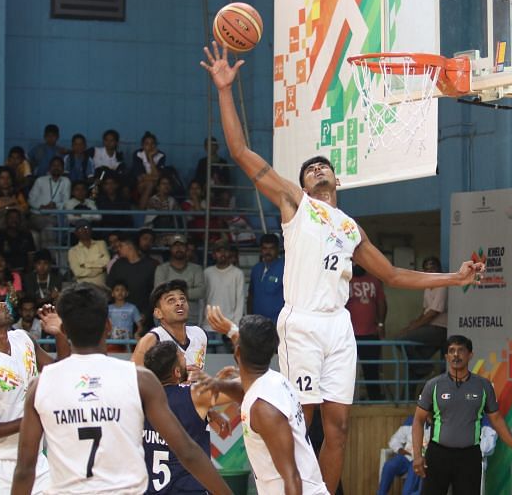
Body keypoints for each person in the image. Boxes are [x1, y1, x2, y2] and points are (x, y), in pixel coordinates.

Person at [201, 41, 483, 492]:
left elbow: (393, 275)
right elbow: (240, 152)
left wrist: (455, 276)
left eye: (323, 166)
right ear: (303, 185)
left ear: (337, 180)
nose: (316, 169)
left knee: (339, 429)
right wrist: (224, 90)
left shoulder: (350, 228)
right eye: (309, 168)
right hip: (304, 325)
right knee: (300, 422)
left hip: (339, 328)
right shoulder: (296, 206)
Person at [10, 283, 232, 495]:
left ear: (65, 328)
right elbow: (187, 451)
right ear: (108, 325)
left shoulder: (41, 385)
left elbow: (24, 470)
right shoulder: (139, 380)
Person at [193, 315, 329, 495]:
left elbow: (292, 477)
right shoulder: (273, 380)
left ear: (237, 354)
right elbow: (242, 389)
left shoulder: (264, 409)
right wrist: (218, 383)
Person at [0, 286, 70, 493]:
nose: (3, 304)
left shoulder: (24, 339)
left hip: (33, 459)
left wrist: (60, 333)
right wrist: (30, 421)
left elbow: (60, 374)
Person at [411, 335, 512, 494]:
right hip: (438, 455)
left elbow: (497, 420)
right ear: (446, 356)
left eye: (460, 350)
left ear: (470, 355)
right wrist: (417, 455)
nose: (456, 355)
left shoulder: (483, 386)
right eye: (451, 351)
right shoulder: (433, 385)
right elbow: (418, 420)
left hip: (469, 457)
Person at [142, 341, 233, 493]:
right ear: (177, 372)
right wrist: (213, 382)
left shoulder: (141, 399)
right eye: (183, 358)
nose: (188, 362)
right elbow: (244, 387)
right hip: (188, 489)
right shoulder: (194, 394)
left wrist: (209, 412)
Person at [131, 280, 212, 372]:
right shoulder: (151, 339)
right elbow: (134, 377)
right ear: (158, 313)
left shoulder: (200, 334)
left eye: (182, 299)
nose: (179, 303)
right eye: (171, 300)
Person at [398, 257, 448, 384]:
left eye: (432, 269)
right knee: (414, 365)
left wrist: (413, 328)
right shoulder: (427, 286)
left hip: (440, 329)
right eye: (426, 270)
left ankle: (425, 368)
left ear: (439, 269)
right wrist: (413, 324)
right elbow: (425, 311)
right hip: (429, 329)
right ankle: (406, 397)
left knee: (401, 340)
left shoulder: (442, 284)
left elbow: (433, 313)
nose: (429, 272)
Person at [346, 264, 386, 401]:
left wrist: (381, 323)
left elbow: (381, 303)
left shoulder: (374, 280)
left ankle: (374, 399)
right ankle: (348, 400)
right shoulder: (345, 280)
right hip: (349, 335)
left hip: (371, 333)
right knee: (346, 371)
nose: (357, 264)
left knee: (372, 370)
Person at [107, 234, 158, 330]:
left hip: (144, 316)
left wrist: (146, 313)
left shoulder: (150, 265)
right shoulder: (117, 265)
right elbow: (110, 289)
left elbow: (154, 292)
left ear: (129, 246)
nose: (118, 249)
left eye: (120, 246)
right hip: (120, 320)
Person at [154, 234, 206, 325]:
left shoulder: (196, 269)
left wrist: (172, 295)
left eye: (181, 245)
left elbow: (200, 291)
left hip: (190, 318)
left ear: (187, 248)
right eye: (175, 246)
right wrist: (186, 293)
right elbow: (160, 292)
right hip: (167, 319)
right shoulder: (161, 269)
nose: (178, 248)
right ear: (170, 249)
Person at [28, 156, 71, 252]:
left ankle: (45, 257)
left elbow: (66, 201)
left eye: (59, 166)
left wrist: (55, 205)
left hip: (55, 216)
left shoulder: (66, 181)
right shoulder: (40, 180)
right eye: (54, 165)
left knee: (48, 228)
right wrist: (42, 207)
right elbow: (31, 199)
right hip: (37, 215)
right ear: (49, 168)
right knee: (49, 227)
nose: (56, 168)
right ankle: (51, 258)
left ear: (63, 169)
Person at [378, 416, 425, 495]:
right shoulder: (411, 422)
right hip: (407, 456)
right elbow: (394, 440)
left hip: (420, 459)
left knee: (413, 474)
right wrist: (400, 450)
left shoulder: (435, 424)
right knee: (389, 466)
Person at [203, 239, 245, 329]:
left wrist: (236, 325)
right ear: (213, 255)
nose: (222, 254)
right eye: (219, 251)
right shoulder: (207, 273)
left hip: (229, 324)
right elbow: (202, 300)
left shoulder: (237, 273)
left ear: (230, 253)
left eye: (225, 251)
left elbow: (240, 301)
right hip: (208, 324)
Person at [247, 233, 285, 323]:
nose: (268, 252)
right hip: (257, 323)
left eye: (271, 248)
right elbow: (251, 295)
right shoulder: (256, 269)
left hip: (277, 323)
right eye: (265, 248)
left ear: (277, 249)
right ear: (261, 250)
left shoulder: (285, 268)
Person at [68, 220, 110, 287]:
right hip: (82, 289)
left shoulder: (101, 244)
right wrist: (100, 269)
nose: (84, 231)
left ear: (91, 230)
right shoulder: (73, 251)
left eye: (86, 227)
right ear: (76, 233)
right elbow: (77, 272)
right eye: (80, 229)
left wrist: (86, 265)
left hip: (101, 287)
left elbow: (106, 262)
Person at [131, 131, 167, 202]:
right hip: (139, 185)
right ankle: (141, 210)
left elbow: (158, 177)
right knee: (150, 185)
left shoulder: (161, 155)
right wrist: (154, 178)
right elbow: (140, 177)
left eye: (152, 144)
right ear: (142, 145)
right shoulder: (138, 154)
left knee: (156, 185)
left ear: (156, 145)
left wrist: (151, 158)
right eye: (147, 144)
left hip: (155, 185)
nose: (150, 146)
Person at [107, 280, 142, 351]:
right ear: (112, 293)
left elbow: (140, 327)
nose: (120, 292)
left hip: (128, 341)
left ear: (127, 293)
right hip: (112, 341)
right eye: (117, 290)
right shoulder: (108, 308)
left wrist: (137, 333)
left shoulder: (132, 308)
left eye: (122, 290)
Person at [0, 208, 36, 273]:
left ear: (20, 220)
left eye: (16, 218)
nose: (14, 220)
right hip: (5, 272)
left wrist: (27, 273)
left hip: (24, 271)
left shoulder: (27, 235)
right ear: (6, 220)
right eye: (11, 218)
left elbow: (31, 257)